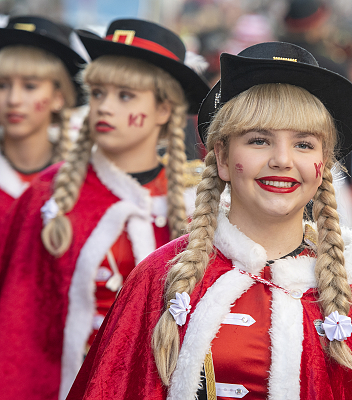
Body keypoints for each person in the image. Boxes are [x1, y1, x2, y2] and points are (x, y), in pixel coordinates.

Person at [66, 41, 352, 400]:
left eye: (304, 144)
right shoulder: (159, 276)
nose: (282, 160)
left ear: (323, 165)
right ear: (221, 157)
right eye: (259, 140)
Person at [0, 18, 209, 400]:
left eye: (125, 95)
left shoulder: (197, 203)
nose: (104, 107)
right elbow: (18, 323)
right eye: (97, 93)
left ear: (164, 109)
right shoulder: (48, 194)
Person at [0, 16, 84, 225]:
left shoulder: (83, 179)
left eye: (30, 86)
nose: (13, 99)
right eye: (2, 85)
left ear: (58, 97)